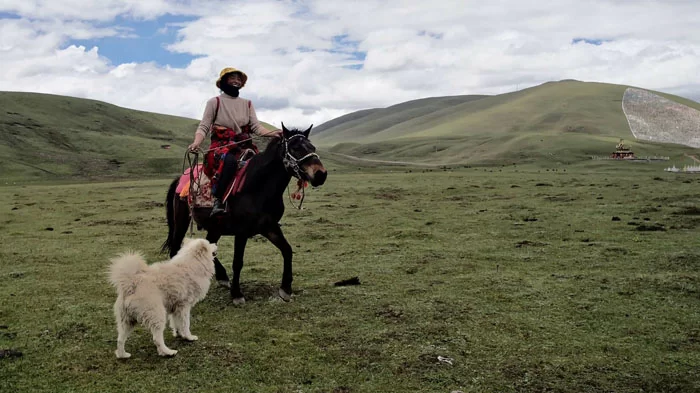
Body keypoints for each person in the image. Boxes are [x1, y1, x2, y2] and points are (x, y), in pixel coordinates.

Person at [188, 67, 282, 217]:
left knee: (261, 165)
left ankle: (264, 208)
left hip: (244, 145)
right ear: (224, 81)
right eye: (233, 78)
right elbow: (204, 126)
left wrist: (273, 133)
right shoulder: (215, 102)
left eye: (239, 79)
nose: (236, 81)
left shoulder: (248, 103)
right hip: (221, 146)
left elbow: (256, 127)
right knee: (229, 162)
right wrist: (196, 142)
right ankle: (219, 201)